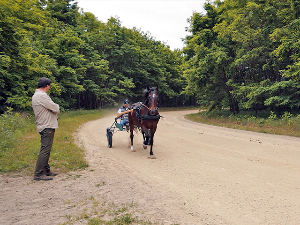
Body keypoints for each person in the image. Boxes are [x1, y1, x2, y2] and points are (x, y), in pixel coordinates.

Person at [32, 77, 60, 181]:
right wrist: (56, 106)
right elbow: (56, 108)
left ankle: (46, 170)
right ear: (47, 86)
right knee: (45, 150)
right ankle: (38, 174)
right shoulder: (42, 96)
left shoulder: (37, 95)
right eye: (49, 86)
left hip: (44, 124)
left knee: (46, 149)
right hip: (46, 125)